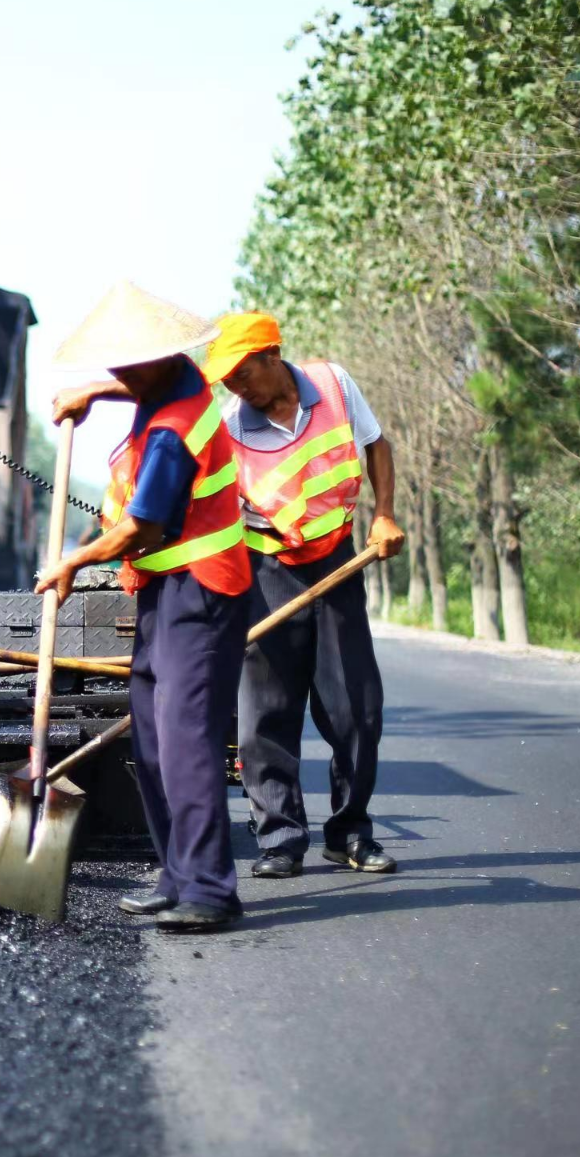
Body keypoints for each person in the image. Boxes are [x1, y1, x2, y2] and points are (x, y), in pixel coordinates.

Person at [38, 283, 252, 933]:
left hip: (203, 589)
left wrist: (72, 563)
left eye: (126, 362)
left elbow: (141, 531)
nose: (119, 371)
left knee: (186, 742)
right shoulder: (174, 380)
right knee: (153, 739)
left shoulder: (172, 435)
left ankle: (210, 889)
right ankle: (176, 874)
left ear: (158, 356)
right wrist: (93, 394)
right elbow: (140, 389)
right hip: (165, 592)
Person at [202, 312, 406, 878]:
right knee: (265, 715)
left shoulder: (336, 386)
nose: (235, 389)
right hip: (266, 569)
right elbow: (214, 508)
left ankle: (349, 834)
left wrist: (383, 516)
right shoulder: (230, 427)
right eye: (227, 381)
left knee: (356, 710)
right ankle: (281, 841)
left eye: (242, 375)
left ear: (273, 355)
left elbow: (377, 445)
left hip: (339, 562)